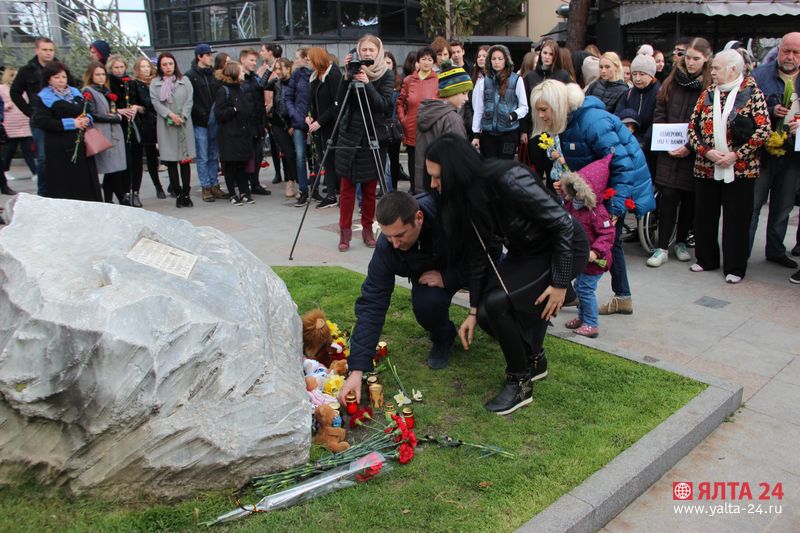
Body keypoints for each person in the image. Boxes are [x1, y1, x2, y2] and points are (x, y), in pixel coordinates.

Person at [425, 134, 589, 414]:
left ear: (455, 170)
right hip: (527, 253)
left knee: (498, 303)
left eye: (437, 177)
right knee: (488, 311)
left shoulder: (509, 178)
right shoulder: (468, 196)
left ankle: (520, 382)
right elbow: (479, 255)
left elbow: (563, 225)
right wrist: (473, 311)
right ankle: (534, 360)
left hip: (564, 249)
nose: (433, 185)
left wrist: (560, 283)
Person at [531, 80, 655, 315]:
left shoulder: (592, 121)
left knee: (606, 242)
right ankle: (609, 296)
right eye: (538, 110)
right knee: (606, 242)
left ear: (558, 105)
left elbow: (622, 165)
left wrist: (617, 208)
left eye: (544, 109)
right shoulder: (570, 122)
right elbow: (585, 167)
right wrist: (568, 185)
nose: (540, 115)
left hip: (614, 192)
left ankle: (591, 298)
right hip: (598, 192)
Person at [337, 191, 469, 409]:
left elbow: (486, 253)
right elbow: (373, 302)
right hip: (427, 276)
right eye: (388, 236)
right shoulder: (388, 246)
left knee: (493, 312)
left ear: (418, 218)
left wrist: (449, 277)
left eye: (399, 235)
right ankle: (444, 337)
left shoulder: (449, 214)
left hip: (464, 267)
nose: (395, 244)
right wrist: (357, 369)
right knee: (426, 305)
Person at [687, 49, 770, 284]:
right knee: (704, 215)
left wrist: (736, 155)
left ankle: (735, 266)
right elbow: (692, 129)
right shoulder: (707, 95)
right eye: (712, 68)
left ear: (734, 69)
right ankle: (706, 259)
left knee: (737, 219)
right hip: (706, 166)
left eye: (716, 68)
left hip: (741, 169)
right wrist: (707, 152)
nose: (711, 72)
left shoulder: (752, 93)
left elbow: (763, 131)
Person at [648, 37, 712, 267]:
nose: (691, 62)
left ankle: (682, 242)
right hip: (668, 152)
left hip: (693, 154)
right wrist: (666, 142)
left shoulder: (709, 87)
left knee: (689, 200)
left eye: (696, 58)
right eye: (688, 57)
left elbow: (708, 123)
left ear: (706, 59)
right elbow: (660, 111)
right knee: (669, 198)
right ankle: (662, 246)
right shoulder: (671, 82)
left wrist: (689, 147)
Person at [334, 34, 394, 252]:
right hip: (350, 136)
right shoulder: (351, 72)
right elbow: (340, 101)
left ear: (379, 52)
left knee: (370, 189)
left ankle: (368, 230)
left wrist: (367, 84)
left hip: (372, 137)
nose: (367, 53)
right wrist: (346, 77)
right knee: (347, 189)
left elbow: (384, 106)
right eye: (364, 50)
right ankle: (344, 233)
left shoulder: (386, 75)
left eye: (371, 50)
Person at [748, 32, 800, 269]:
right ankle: (742, 251)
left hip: (792, 155)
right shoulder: (759, 75)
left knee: (783, 205)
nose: (789, 57)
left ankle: (776, 250)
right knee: (753, 204)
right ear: (778, 51)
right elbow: (744, 111)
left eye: (796, 52)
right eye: (785, 51)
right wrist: (770, 109)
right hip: (763, 152)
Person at [559, 155, 616, 337]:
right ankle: (583, 317)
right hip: (581, 256)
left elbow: (607, 234)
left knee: (585, 289)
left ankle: (591, 323)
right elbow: (565, 210)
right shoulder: (574, 205)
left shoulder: (597, 212)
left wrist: (596, 251)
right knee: (581, 286)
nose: (575, 191)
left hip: (594, 259)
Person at [31, 61, 101, 201]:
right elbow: (42, 121)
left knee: (84, 179)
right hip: (59, 146)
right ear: (49, 79)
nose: (61, 80)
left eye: (63, 76)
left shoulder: (75, 92)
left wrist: (87, 118)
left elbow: (87, 111)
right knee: (65, 183)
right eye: (56, 77)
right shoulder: (43, 97)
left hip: (81, 142)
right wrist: (72, 123)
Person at [10, 37, 58, 195]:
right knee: (43, 158)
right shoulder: (27, 71)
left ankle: (61, 190)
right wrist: (29, 111)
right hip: (39, 120)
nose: (48, 53)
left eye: (51, 50)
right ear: (37, 50)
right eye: (44, 49)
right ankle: (43, 194)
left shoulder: (59, 68)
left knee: (59, 156)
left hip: (59, 119)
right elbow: (15, 92)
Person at [415, 63, 473, 188]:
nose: (467, 98)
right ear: (451, 91)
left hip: (425, 182)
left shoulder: (426, 110)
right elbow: (458, 157)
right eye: (464, 93)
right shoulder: (451, 118)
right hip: (445, 185)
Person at [150, 52, 196, 208]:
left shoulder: (185, 81)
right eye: (164, 64)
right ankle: (177, 192)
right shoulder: (155, 83)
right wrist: (170, 115)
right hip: (166, 125)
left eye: (170, 64)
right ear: (160, 66)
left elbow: (190, 99)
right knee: (171, 162)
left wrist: (182, 115)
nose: (168, 67)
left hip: (183, 123)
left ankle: (186, 193)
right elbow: (156, 103)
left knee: (185, 160)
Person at [471, 44, 528, 159]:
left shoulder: (517, 80)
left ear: (506, 60)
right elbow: (479, 109)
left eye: (500, 59)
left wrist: (513, 115)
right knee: (490, 167)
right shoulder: (484, 81)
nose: (496, 62)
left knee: (506, 167)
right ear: (490, 61)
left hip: (509, 132)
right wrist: (476, 134)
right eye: (493, 59)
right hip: (488, 133)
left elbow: (524, 107)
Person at [82, 61, 127, 204]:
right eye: (97, 74)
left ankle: (108, 200)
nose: (101, 77)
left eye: (103, 74)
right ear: (91, 75)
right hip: (103, 133)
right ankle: (122, 199)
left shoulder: (105, 91)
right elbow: (93, 114)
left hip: (114, 133)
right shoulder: (89, 91)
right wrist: (115, 118)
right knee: (111, 168)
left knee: (114, 169)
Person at [187, 43, 226, 203]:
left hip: (214, 120)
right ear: (199, 57)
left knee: (213, 155)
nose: (211, 57)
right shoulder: (190, 75)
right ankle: (205, 187)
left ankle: (214, 184)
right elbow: (190, 99)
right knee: (203, 156)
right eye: (208, 55)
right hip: (200, 122)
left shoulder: (214, 75)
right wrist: (201, 113)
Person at [397, 46, 439, 193]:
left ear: (434, 62)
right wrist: (403, 119)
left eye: (430, 59)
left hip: (430, 128)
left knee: (429, 161)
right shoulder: (409, 80)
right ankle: (414, 192)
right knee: (413, 162)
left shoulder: (438, 80)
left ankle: (429, 191)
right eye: (423, 59)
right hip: (411, 128)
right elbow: (400, 102)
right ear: (418, 61)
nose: (426, 62)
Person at [307, 47, 343, 209]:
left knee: (335, 159)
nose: (308, 62)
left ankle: (338, 192)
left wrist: (319, 121)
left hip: (333, 125)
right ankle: (331, 194)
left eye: (309, 59)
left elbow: (337, 103)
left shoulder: (334, 75)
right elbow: (314, 102)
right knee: (326, 160)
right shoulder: (315, 77)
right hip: (320, 126)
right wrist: (310, 116)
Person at [215, 61, 255, 205]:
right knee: (231, 165)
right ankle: (232, 193)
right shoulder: (223, 90)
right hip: (229, 135)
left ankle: (244, 192)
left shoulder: (241, 88)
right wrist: (234, 109)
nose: (243, 73)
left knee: (242, 164)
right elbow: (219, 114)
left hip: (242, 133)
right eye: (241, 71)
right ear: (234, 73)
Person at [105, 54, 143, 206]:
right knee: (124, 160)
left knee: (137, 160)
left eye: (122, 67)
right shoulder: (108, 85)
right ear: (111, 68)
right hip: (118, 126)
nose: (119, 70)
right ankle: (124, 192)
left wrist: (136, 108)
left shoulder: (131, 83)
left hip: (133, 125)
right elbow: (106, 108)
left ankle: (135, 192)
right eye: (116, 67)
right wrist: (119, 111)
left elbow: (143, 105)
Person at [131, 57, 165, 199]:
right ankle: (147, 188)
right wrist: (141, 108)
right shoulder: (134, 84)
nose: (145, 69)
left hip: (158, 122)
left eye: (147, 66)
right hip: (144, 124)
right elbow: (136, 103)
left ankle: (165, 185)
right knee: (145, 157)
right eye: (142, 66)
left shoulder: (156, 82)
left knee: (159, 156)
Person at [265, 57, 299, 199]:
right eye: (276, 68)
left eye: (280, 68)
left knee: (299, 154)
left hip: (293, 121)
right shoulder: (275, 83)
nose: (278, 71)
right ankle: (290, 182)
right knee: (288, 152)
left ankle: (300, 181)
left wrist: (293, 124)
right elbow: (261, 85)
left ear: (288, 68)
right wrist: (270, 70)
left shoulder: (294, 83)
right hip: (278, 122)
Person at [239, 47, 270, 196]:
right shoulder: (239, 78)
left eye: (255, 60)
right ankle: (245, 186)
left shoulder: (254, 78)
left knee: (258, 155)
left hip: (258, 122)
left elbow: (261, 89)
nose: (254, 63)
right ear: (242, 60)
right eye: (251, 60)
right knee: (248, 157)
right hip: (246, 124)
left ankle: (255, 183)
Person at [285, 47, 313, 206]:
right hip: (298, 121)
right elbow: (288, 96)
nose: (296, 61)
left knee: (314, 157)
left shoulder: (316, 74)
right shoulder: (297, 75)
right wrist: (294, 114)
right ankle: (303, 190)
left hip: (314, 122)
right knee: (300, 156)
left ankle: (314, 186)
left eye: (298, 58)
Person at [1, 69, 36, 188]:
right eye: (12, 75)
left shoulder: (24, 89)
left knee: (28, 149)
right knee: (10, 149)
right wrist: (6, 106)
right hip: (11, 124)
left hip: (24, 122)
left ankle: (35, 172)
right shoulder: (2, 88)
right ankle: (5, 170)